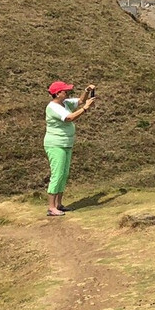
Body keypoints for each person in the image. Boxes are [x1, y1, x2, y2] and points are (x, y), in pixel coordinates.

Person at [44, 80, 96, 216]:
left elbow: (79, 101)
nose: (67, 93)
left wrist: (86, 91)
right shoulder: (53, 107)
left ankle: (58, 204)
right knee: (57, 174)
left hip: (66, 143)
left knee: (64, 174)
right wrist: (85, 108)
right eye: (65, 91)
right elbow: (69, 118)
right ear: (57, 93)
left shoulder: (65, 103)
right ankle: (51, 207)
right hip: (55, 144)